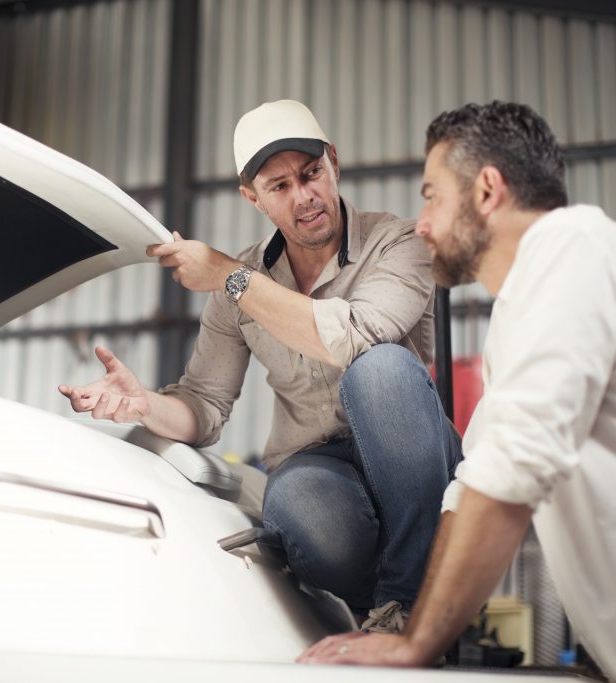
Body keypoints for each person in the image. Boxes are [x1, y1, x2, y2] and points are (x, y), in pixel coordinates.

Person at [299, 101, 616, 683]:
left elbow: (513, 472)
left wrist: (417, 645)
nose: (422, 222)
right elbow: (471, 488)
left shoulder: (572, 249)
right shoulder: (525, 315)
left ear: (488, 190)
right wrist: (411, 623)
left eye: (433, 195)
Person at [58, 99, 461, 627]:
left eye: (311, 173)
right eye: (279, 187)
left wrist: (232, 277)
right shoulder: (238, 281)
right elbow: (203, 407)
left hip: (412, 459)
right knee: (295, 504)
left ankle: (413, 608)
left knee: (379, 368)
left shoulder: (400, 242)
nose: (305, 196)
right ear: (253, 198)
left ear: (333, 162)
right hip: (319, 463)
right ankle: (379, 607)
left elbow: (356, 336)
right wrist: (143, 405)